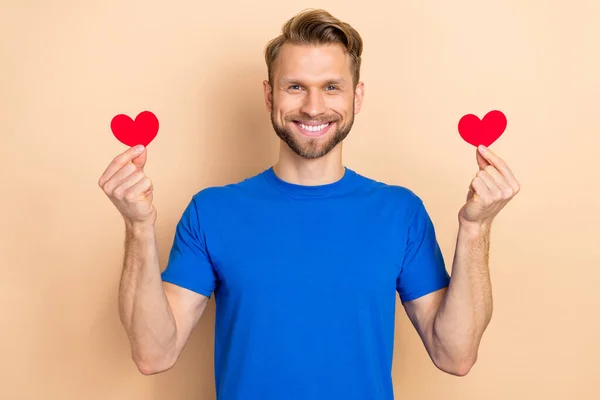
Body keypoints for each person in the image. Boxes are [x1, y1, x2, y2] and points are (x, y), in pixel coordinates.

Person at [98, 8, 520, 400]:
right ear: (269, 95)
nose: (314, 106)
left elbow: (455, 355)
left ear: (356, 97)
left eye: (331, 87)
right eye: (295, 86)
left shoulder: (400, 212)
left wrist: (476, 229)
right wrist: (137, 227)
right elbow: (155, 354)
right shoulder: (211, 212)